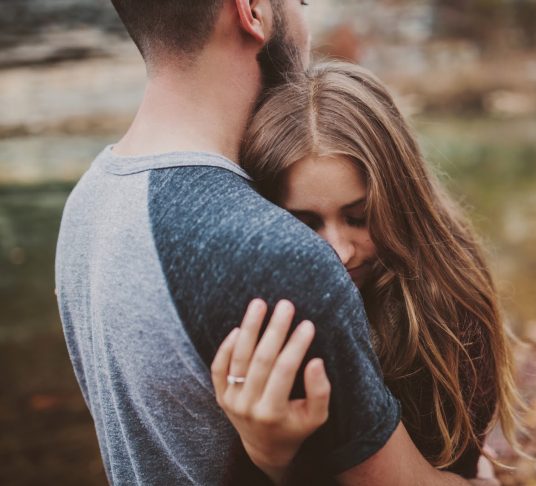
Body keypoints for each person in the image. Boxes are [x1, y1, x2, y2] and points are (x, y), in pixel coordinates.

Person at [54, 1, 501, 484]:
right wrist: (274, 459)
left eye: (358, 216)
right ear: (251, 9)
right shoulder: (276, 259)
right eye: (302, 1)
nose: (338, 251)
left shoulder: (89, 201)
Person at [211, 61, 523, 482]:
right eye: (303, 225)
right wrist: (268, 453)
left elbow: (458, 464)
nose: (338, 252)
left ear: (400, 201)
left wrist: (276, 464)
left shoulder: (448, 297)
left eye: (360, 217)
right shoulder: (260, 315)